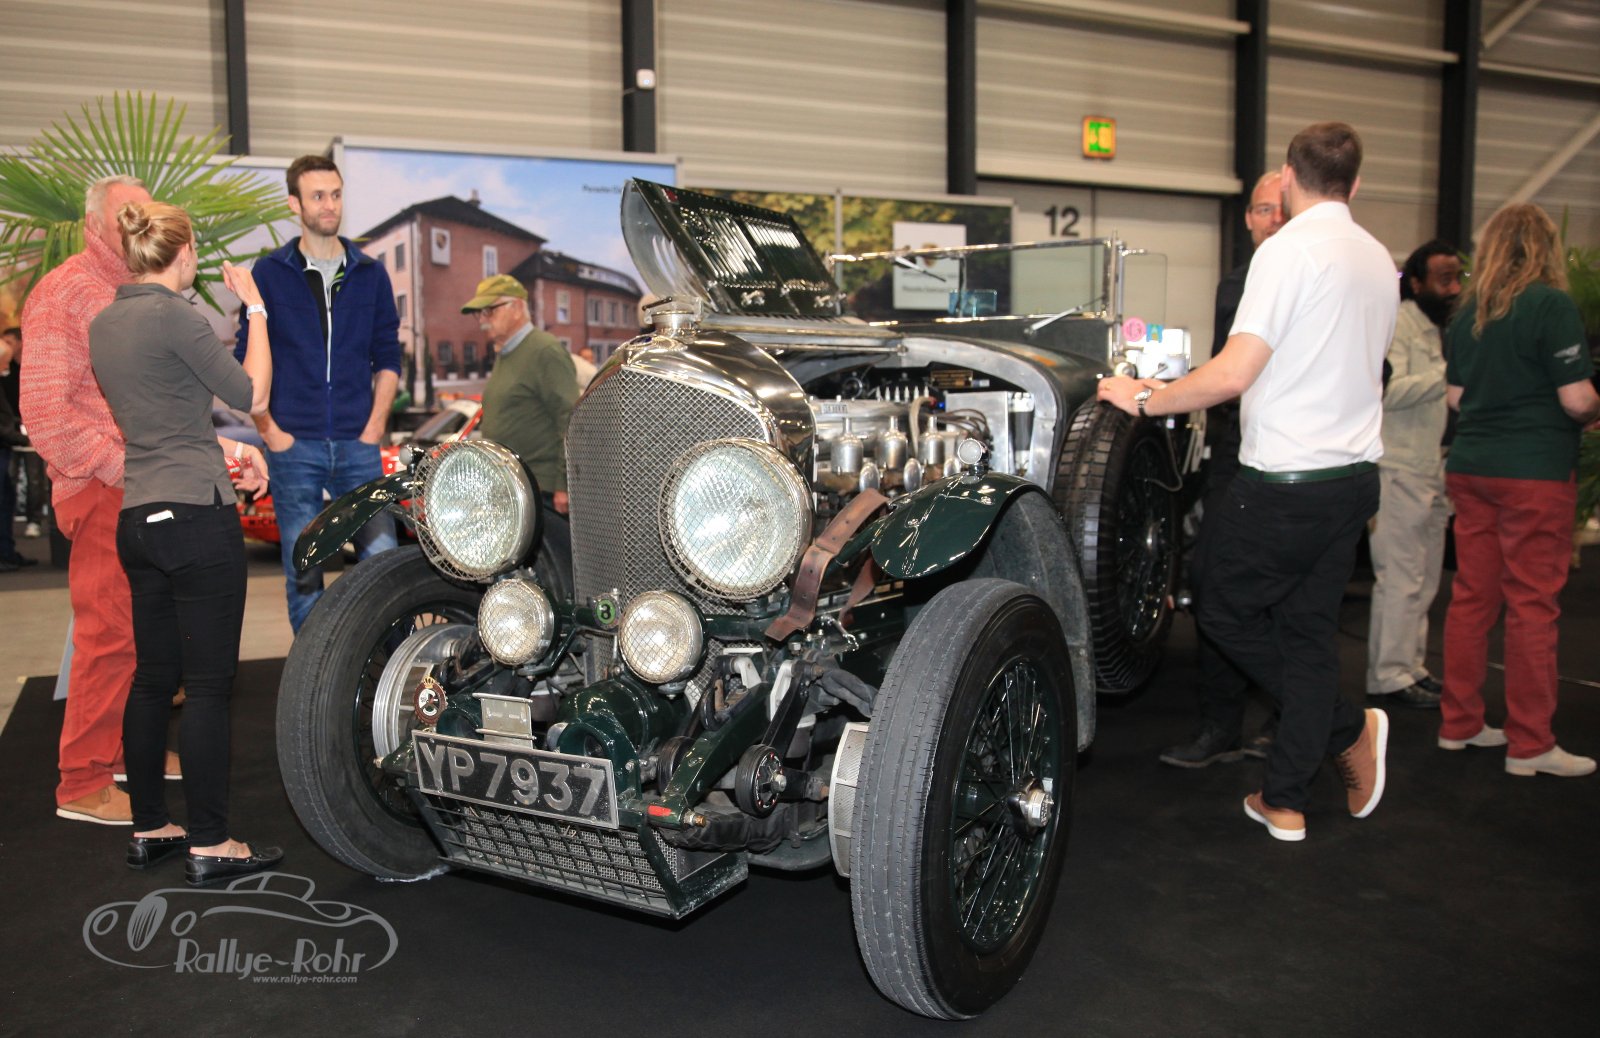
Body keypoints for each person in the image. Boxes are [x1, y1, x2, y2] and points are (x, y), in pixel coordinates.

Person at [1099, 122, 1394, 842]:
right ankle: (1285, 798)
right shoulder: (1378, 257)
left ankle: (1344, 727)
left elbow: (1233, 374)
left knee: (1223, 608)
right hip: (1355, 480)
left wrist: (1143, 397)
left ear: (1287, 179)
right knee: (1308, 634)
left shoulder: (1286, 252)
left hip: (1285, 482)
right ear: (1355, 183)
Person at [90, 199, 283, 884]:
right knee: (205, 686)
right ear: (184, 253)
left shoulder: (105, 323)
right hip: (195, 519)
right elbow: (251, 393)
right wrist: (255, 308)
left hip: (140, 517)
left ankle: (151, 827)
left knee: (152, 679)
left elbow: (163, 416)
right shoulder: (176, 316)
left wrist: (224, 451)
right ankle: (211, 841)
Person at [20, 174, 167, 824]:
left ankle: (125, 750)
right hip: (103, 485)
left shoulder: (137, 288)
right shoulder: (65, 292)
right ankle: (83, 780)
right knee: (108, 633)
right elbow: (47, 415)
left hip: (142, 484)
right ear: (92, 226)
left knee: (143, 633)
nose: (139, 222)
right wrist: (124, 465)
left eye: (146, 210)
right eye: (126, 213)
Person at [1439, 203, 1600, 778]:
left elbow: (1457, 397)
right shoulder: (1551, 306)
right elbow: (1577, 400)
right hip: (1534, 471)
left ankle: (1459, 724)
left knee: (1471, 597)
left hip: (1472, 467)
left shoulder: (1469, 313)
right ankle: (1530, 745)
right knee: (1533, 604)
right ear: (1544, 248)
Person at [241, 154, 401, 632]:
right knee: (304, 572)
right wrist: (270, 432)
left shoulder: (370, 273)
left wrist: (374, 427)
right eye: (317, 196)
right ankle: (312, 669)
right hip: (294, 446)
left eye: (335, 194)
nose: (329, 205)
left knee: (383, 563)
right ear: (295, 204)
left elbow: (388, 357)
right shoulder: (269, 273)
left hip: (359, 444)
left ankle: (391, 664)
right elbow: (248, 360)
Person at [1160, 170, 1284, 767]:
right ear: (1248, 218)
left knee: (1285, 598)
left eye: (1281, 208)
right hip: (1236, 454)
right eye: (1261, 209)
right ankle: (1221, 725)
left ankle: (1289, 720)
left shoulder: (1317, 278)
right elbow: (1224, 373)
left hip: (1294, 458)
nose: (1272, 220)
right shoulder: (1236, 284)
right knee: (1212, 586)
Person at [1366, 241, 1463, 710]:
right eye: (1444, 279)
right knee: (1400, 577)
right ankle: (1388, 674)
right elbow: (1388, 390)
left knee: (1424, 579)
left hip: (1434, 467)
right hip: (1399, 467)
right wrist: (1449, 375)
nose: (1455, 288)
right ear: (1418, 283)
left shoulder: (1444, 329)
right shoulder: (1399, 324)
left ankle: (1411, 666)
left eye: (1458, 277)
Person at [461, 274, 578, 577]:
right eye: (479, 313)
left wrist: (564, 484)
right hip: (513, 490)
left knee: (550, 581)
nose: (482, 321)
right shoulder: (507, 353)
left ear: (516, 307)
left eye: (490, 310)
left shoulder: (543, 351)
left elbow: (570, 418)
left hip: (542, 492)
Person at [0, 328, 37, 570]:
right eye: (4, 362)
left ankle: (7, 552)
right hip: (4, 446)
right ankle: (4, 554)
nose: (7, 367)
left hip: (7, 446)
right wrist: (24, 440)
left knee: (7, 500)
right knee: (4, 502)